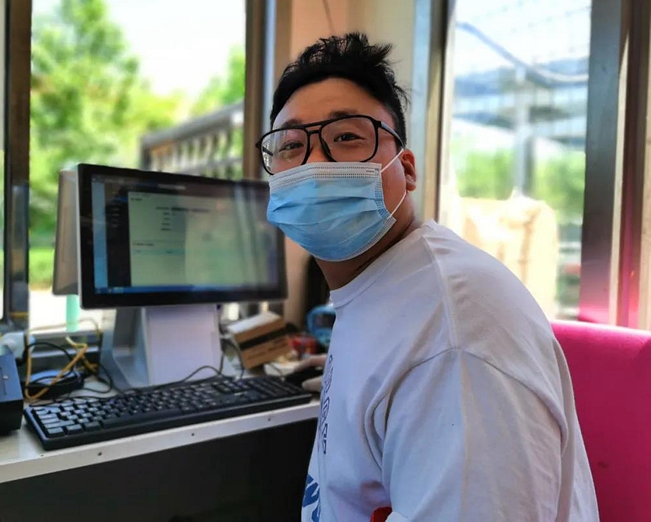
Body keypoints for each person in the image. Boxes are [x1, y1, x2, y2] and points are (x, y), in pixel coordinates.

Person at [257, 32, 599, 521]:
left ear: (407, 169)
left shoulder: (453, 332)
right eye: (290, 146)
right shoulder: (379, 290)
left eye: (347, 137)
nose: (313, 163)